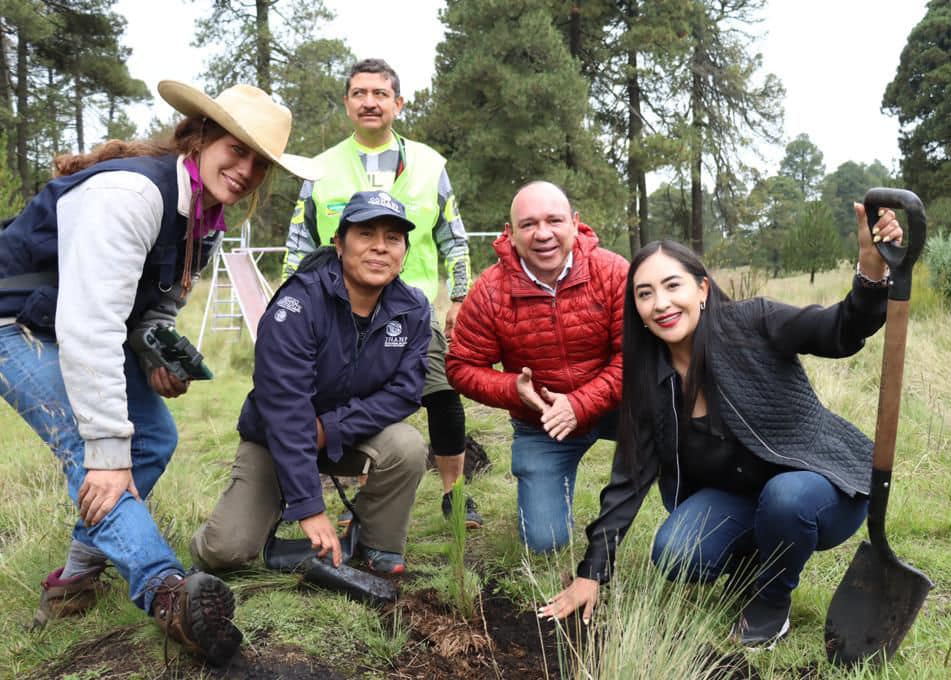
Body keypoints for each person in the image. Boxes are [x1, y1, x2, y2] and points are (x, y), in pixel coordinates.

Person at [0, 81, 317, 664]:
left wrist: (154, 356)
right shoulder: (129, 195)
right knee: (93, 448)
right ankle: (168, 593)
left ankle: (72, 583)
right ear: (198, 136)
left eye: (259, 162)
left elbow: (156, 308)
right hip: (14, 322)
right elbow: (89, 324)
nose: (245, 169)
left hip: (74, 324)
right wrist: (105, 451)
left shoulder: (204, 215)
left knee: (154, 438)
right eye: (235, 148)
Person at [539, 205, 904, 648]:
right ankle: (766, 559)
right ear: (635, 307)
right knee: (675, 553)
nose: (661, 304)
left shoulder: (755, 322)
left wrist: (869, 275)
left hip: (820, 486)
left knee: (786, 498)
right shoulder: (648, 378)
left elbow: (839, 331)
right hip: (742, 500)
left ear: (703, 289)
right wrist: (591, 573)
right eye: (645, 294)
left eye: (673, 286)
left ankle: (772, 601)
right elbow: (629, 477)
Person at [282, 58, 481, 528]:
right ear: (347, 102)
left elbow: (454, 234)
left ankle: (455, 493)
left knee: (441, 392)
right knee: (362, 401)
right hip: (337, 313)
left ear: (398, 102)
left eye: (379, 93)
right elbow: (299, 242)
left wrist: (459, 296)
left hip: (415, 311)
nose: (369, 102)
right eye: (359, 93)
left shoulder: (430, 165)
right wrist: (288, 308)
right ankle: (367, 503)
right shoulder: (320, 168)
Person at [190, 190, 430, 576]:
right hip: (276, 437)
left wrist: (331, 428)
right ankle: (262, 513)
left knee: (407, 446)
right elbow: (283, 408)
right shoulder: (299, 304)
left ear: (404, 250)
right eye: (366, 234)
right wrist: (310, 506)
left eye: (393, 238)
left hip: (349, 434)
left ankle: (375, 541)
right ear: (339, 242)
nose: (380, 248)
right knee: (226, 551)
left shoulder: (414, 309)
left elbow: (405, 392)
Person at [446, 181, 628, 552]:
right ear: (510, 235)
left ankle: (695, 519)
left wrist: (580, 404)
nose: (542, 234)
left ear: (575, 224)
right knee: (544, 542)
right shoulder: (491, 291)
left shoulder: (612, 272)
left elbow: (636, 356)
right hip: (542, 421)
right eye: (528, 224)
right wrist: (513, 390)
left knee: (676, 424)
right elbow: (461, 366)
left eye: (554, 221)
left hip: (617, 406)